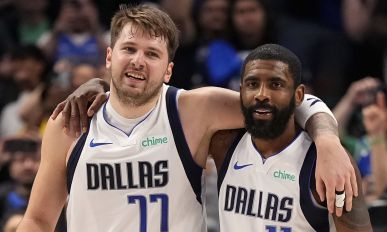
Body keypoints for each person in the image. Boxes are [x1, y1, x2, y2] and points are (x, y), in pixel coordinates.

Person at [18, 4, 356, 232]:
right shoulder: (70, 124)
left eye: (152, 54)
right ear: (109, 56)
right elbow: (36, 220)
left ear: (168, 70)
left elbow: (287, 102)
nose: (138, 61)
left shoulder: (194, 109)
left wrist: (327, 142)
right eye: (129, 49)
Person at [210, 44, 372, 231]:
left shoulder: (326, 162)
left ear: (298, 95)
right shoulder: (222, 143)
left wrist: (327, 139)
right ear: (241, 91)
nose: (262, 94)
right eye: (252, 84)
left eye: (275, 84)